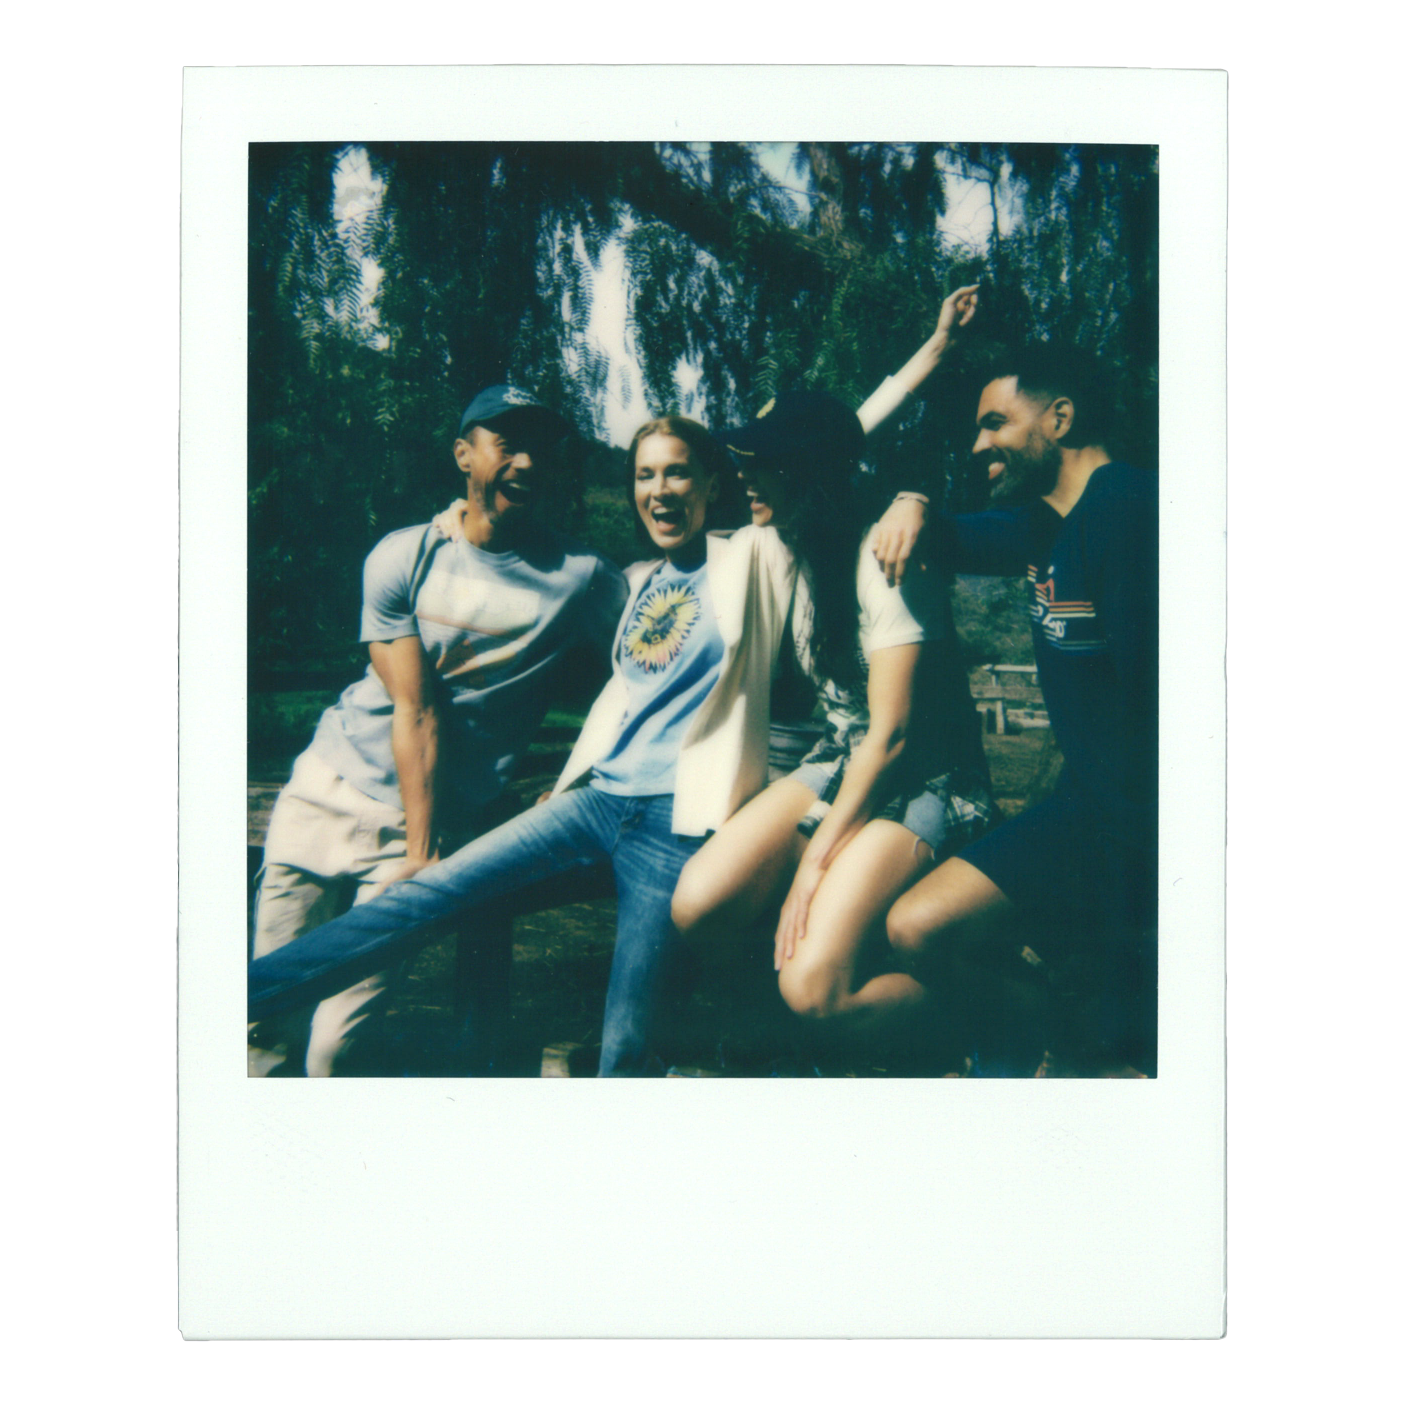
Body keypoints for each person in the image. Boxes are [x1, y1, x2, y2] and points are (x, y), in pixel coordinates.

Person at [248, 292, 984, 1076]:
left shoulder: (758, 556)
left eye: (677, 474)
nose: (659, 490)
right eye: (643, 476)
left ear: (714, 485)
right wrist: (566, 780)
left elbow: (833, 441)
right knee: (425, 896)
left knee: (624, 1040)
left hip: (676, 819)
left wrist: (923, 411)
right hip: (591, 800)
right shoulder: (623, 582)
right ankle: (242, 998)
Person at [248, 386, 627, 1076]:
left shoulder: (583, 579)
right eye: (506, 443)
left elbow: (650, 657)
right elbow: (415, 708)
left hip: (414, 832)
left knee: (339, 1043)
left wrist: (579, 779)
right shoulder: (404, 556)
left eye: (540, 447)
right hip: (324, 793)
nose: (526, 461)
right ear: (464, 455)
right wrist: (427, 852)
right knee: (264, 1019)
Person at [669, 389, 993, 1061]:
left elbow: (892, 736)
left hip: (925, 778)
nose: (742, 475)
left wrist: (814, 863)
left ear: (804, 469)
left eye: (760, 460)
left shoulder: (885, 562)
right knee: (698, 903)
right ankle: (796, 1037)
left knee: (816, 989)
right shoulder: (797, 543)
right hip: (843, 756)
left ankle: (988, 1014)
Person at [881, 343, 1159, 1075]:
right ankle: (1041, 1026)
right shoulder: (1041, 523)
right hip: (1083, 813)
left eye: (994, 423)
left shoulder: (1130, 513)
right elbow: (949, 535)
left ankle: (1070, 1039)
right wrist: (912, 500)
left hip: (1138, 835)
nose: (979, 445)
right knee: (916, 925)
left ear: (1059, 418)